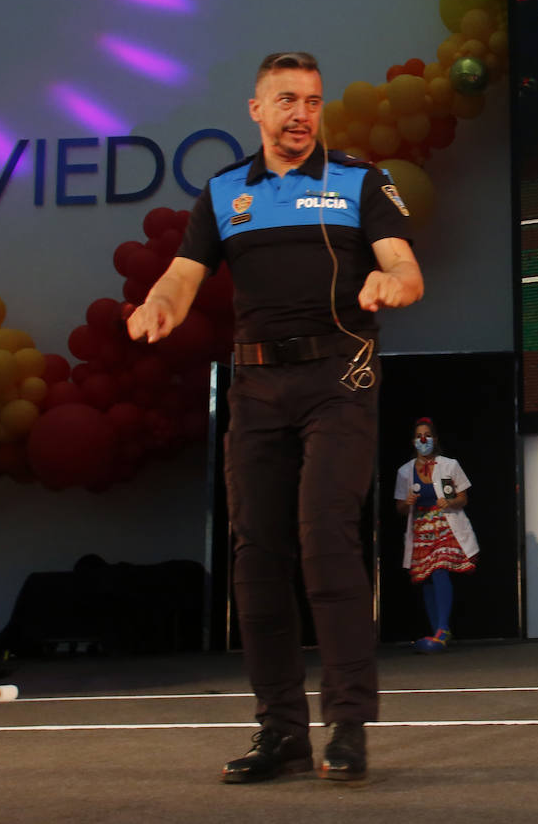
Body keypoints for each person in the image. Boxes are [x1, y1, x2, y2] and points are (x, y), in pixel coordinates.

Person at [127, 51, 423, 785]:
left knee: (325, 537)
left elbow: (405, 266)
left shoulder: (358, 180)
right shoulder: (225, 191)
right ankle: (281, 730)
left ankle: (348, 725)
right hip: (257, 387)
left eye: (313, 101)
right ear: (255, 109)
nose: (301, 113)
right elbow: (182, 274)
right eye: (286, 100)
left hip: (338, 378)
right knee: (256, 555)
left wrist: (393, 279)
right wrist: (161, 304)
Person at [394, 417, 479, 653]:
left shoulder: (449, 465)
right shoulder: (404, 472)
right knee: (426, 577)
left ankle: (442, 629)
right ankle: (438, 633)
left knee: (440, 567)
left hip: (444, 525)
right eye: (419, 436)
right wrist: (407, 502)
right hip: (420, 529)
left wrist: (449, 501)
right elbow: (399, 508)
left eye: (427, 435)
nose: (423, 440)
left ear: (435, 439)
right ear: (413, 441)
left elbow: (463, 498)